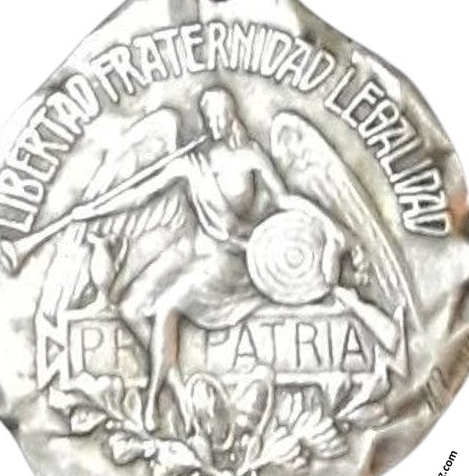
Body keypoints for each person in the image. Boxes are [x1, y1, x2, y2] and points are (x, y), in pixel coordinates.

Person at [73, 87, 344, 431]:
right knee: (129, 307)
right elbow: (140, 194)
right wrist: (93, 209)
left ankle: (153, 400)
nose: (214, 124)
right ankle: (178, 388)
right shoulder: (193, 163)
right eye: (208, 117)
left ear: (231, 115)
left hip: (232, 260)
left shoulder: (251, 157)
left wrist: (329, 224)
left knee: (166, 307)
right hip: (195, 251)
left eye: (220, 115)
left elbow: (285, 200)